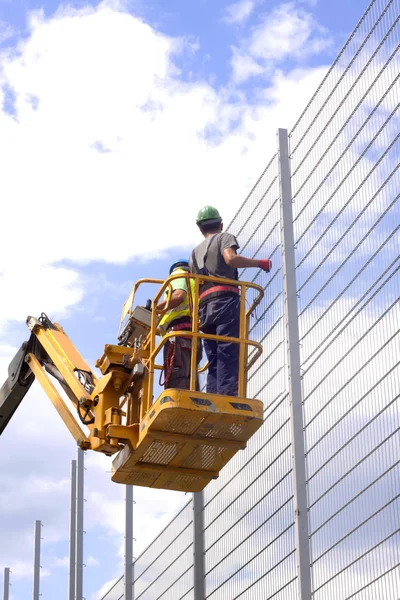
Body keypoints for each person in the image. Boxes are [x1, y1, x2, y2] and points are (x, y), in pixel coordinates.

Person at [189, 206, 272, 397]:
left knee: (213, 356)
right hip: (225, 301)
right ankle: (227, 397)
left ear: (200, 229)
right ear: (221, 224)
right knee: (227, 349)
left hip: (204, 308)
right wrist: (259, 263)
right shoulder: (224, 237)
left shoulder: (193, 254)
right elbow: (231, 259)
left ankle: (212, 396)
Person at [156, 259, 202, 390]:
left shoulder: (179, 275)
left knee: (177, 382)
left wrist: (154, 308)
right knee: (191, 382)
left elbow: (179, 296)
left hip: (178, 335)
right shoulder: (196, 282)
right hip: (192, 336)